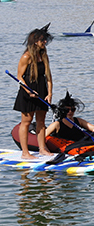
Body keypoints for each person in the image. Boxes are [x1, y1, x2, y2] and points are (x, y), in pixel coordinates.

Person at [13, 24, 54, 158]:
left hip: (42, 89)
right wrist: (28, 91)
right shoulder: (26, 57)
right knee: (27, 121)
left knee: (41, 121)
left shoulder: (44, 55)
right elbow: (19, 77)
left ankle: (42, 148)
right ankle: (25, 153)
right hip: (28, 90)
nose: (45, 42)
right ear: (36, 41)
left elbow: (48, 76)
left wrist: (50, 93)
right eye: (43, 40)